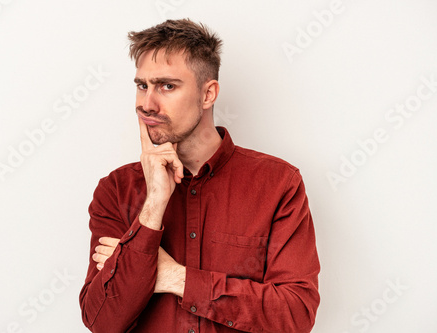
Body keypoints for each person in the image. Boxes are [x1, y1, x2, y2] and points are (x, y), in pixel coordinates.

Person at [79, 19, 320, 333]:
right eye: (142, 85)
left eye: (167, 85)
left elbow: (294, 314)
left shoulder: (278, 184)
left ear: (208, 94)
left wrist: (174, 277)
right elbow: (102, 322)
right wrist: (153, 205)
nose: (146, 104)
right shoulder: (116, 191)